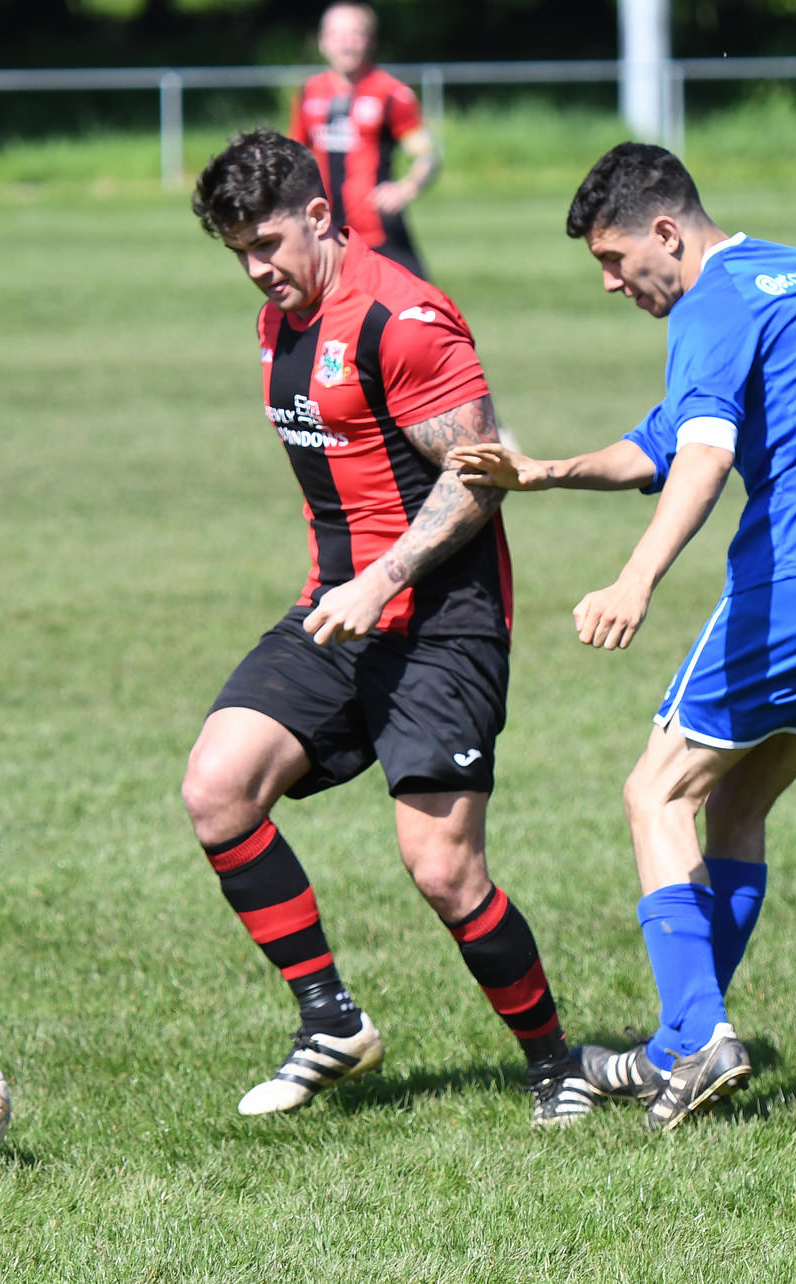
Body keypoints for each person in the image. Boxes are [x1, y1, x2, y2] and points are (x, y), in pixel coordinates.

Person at [447, 143, 796, 1131]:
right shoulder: (782, 269)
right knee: (732, 806)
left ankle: (692, 1037)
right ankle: (687, 1040)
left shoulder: (708, 304)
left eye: (612, 258)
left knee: (654, 789)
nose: (608, 282)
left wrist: (633, 577)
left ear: (666, 232)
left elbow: (704, 452)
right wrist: (545, 472)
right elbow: (660, 441)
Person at [183, 128, 598, 1128]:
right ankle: (328, 1017)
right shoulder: (275, 322)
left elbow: (479, 474)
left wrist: (387, 576)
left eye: (270, 242)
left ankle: (555, 1066)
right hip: (335, 609)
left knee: (443, 871)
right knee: (217, 789)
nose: (256, 269)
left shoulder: (402, 318)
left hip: (442, 618)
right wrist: (353, 587)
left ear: (321, 216)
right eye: (237, 249)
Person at [287, 2, 439, 280]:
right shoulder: (309, 92)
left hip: (379, 231)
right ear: (322, 42)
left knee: (419, 312)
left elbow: (427, 155)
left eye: (356, 34)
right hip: (324, 233)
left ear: (371, 41)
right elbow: (292, 157)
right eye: (337, 35)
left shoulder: (392, 93)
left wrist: (407, 187)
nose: (346, 44)